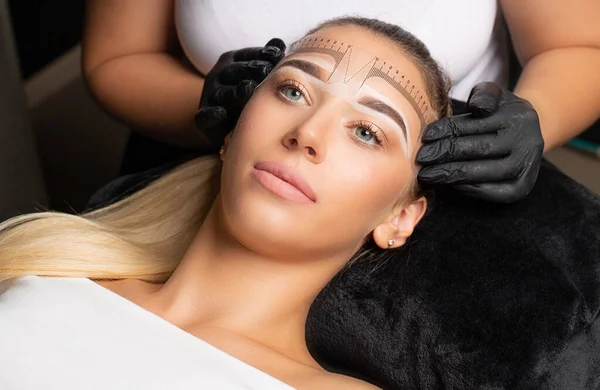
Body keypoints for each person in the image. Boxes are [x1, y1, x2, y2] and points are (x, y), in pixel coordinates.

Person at [0, 17, 450, 389]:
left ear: (401, 217)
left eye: (366, 132)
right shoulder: (35, 272)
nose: (307, 133)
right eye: (293, 91)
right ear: (232, 132)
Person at [82, 0, 600, 204]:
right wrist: (202, 106)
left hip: (447, 189)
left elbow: (578, 47)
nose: (308, 131)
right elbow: (118, 57)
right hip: (210, 172)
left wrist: (533, 122)